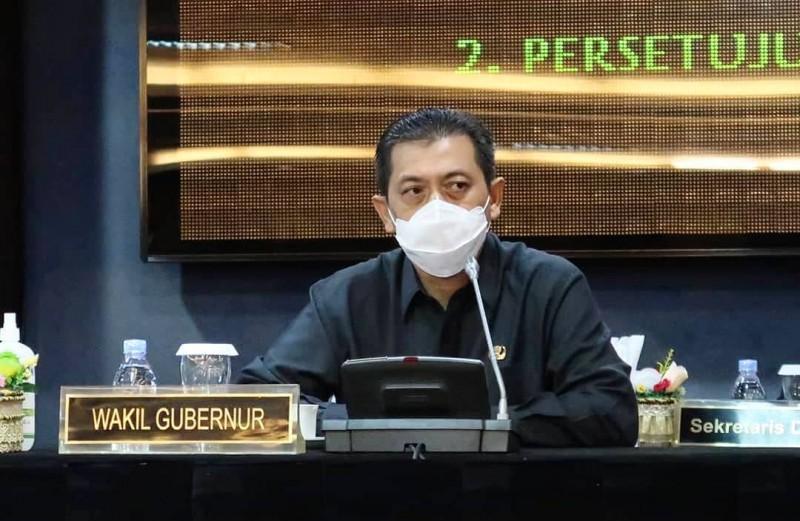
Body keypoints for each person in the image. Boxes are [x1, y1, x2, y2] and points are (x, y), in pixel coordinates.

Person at [240, 107, 638, 446]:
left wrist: (488, 425)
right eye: (414, 191)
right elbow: (253, 408)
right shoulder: (346, 296)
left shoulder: (549, 285)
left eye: (457, 187)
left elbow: (611, 410)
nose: (437, 209)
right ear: (385, 213)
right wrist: (361, 422)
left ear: (494, 198)